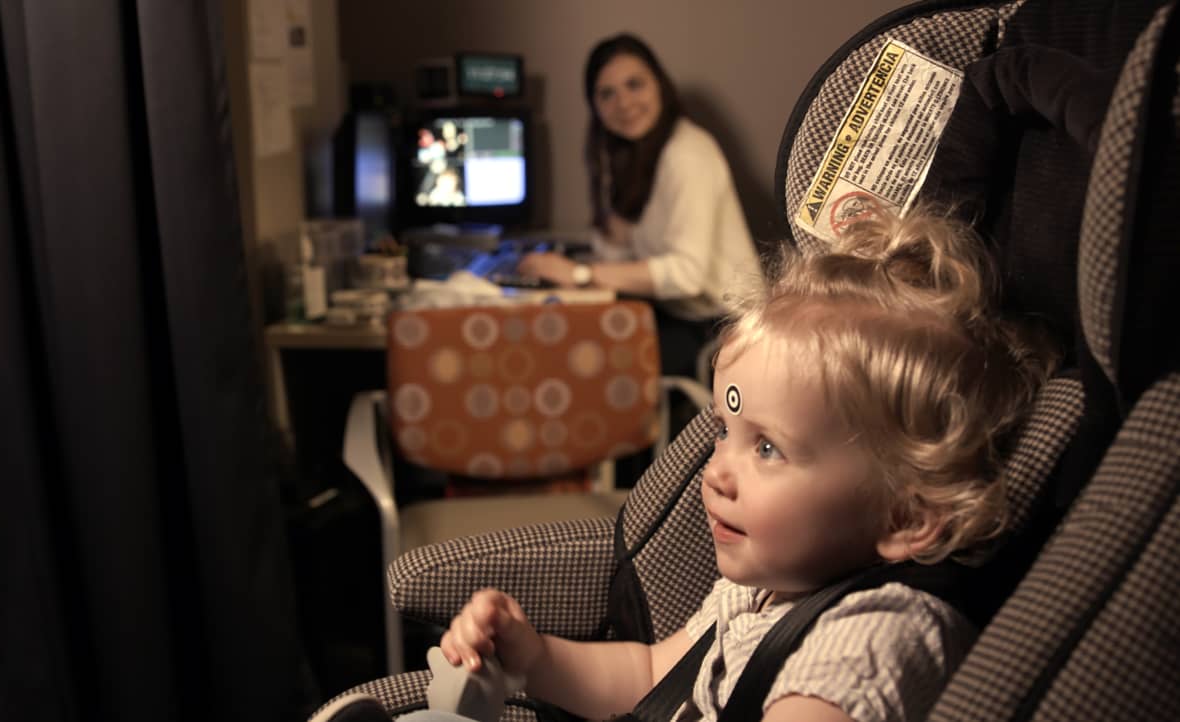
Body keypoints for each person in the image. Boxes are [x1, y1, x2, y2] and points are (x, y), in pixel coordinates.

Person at [427, 205, 1058, 722]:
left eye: (766, 447)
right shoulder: (761, 587)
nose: (715, 471)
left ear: (904, 515)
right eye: (726, 431)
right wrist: (532, 659)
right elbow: (648, 675)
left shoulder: (866, 649)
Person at [516, 33, 764, 379]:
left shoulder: (687, 153)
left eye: (635, 85)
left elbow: (686, 275)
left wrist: (579, 274)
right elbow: (619, 256)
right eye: (607, 94)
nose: (624, 103)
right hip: (677, 313)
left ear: (659, 85)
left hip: (724, 329)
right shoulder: (630, 156)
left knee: (581, 357)